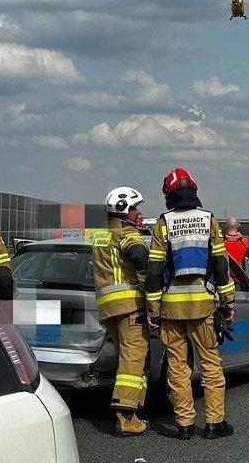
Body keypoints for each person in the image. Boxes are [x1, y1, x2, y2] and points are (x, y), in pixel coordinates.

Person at [146, 167, 236, 440]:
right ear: (194, 190)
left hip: (171, 307)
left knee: (177, 367)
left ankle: (184, 424)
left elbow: (153, 270)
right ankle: (213, 423)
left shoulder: (163, 223)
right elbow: (221, 266)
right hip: (202, 307)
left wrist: (153, 308)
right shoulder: (209, 220)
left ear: (169, 194)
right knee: (210, 365)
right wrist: (228, 302)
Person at [93, 186, 150, 437]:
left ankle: (134, 410)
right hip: (129, 305)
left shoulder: (99, 235)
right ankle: (126, 415)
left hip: (107, 307)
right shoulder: (128, 233)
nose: (139, 213)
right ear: (123, 209)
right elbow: (140, 256)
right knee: (134, 357)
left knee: (128, 357)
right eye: (135, 208)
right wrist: (149, 284)